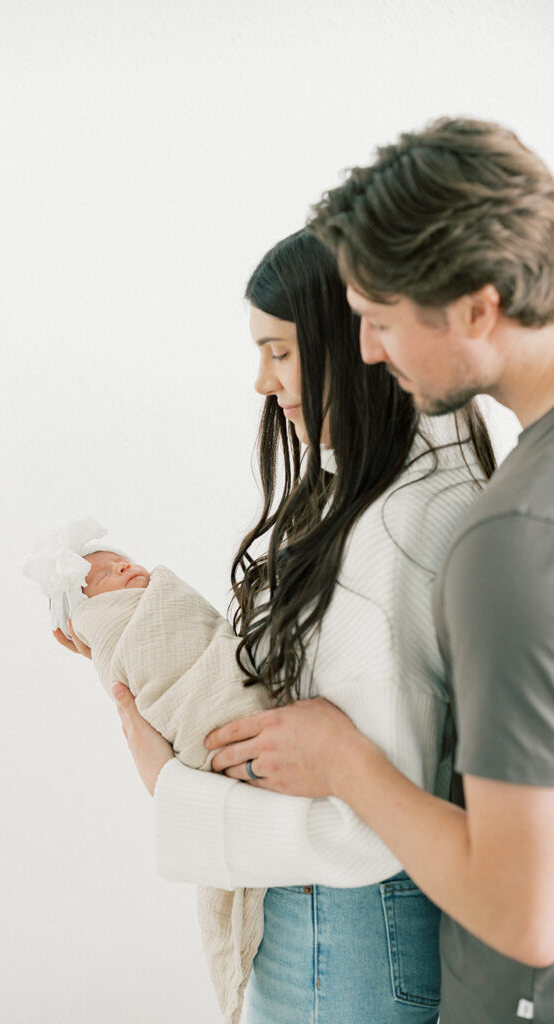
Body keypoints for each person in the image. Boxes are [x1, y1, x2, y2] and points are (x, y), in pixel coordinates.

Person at [99, 229, 502, 1023]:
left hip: (345, 936)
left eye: (279, 352)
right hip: (367, 940)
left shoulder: (389, 531)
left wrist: (169, 787)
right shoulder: (420, 488)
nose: (259, 381)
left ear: (361, 345)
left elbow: (372, 831)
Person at [207, 119, 554, 1023]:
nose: (362, 352)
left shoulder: (505, 532)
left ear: (477, 308)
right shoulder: (500, 500)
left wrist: (344, 764)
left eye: (379, 320)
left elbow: (523, 911)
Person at [24, 517, 271, 1023]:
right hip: (224, 742)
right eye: (108, 575)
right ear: (91, 615)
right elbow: (145, 664)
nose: (127, 567)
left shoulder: (163, 599)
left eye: (124, 560)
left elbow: (203, 636)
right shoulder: (118, 634)